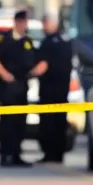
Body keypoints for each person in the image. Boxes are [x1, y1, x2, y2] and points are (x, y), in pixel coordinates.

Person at [0, 9, 39, 167]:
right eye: (22, 22)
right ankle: (5, 155)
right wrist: (5, 75)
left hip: (22, 85)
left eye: (26, 22)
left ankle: (16, 154)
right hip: (7, 87)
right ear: (16, 22)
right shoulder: (4, 39)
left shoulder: (28, 40)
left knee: (20, 122)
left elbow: (33, 59)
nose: (24, 25)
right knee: (7, 123)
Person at [32, 13, 73, 164]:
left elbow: (42, 66)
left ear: (52, 24)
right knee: (60, 122)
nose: (44, 26)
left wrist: (26, 75)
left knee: (48, 124)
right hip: (63, 91)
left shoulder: (47, 43)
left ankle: (49, 154)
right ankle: (58, 155)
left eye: (45, 23)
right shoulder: (66, 42)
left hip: (49, 91)